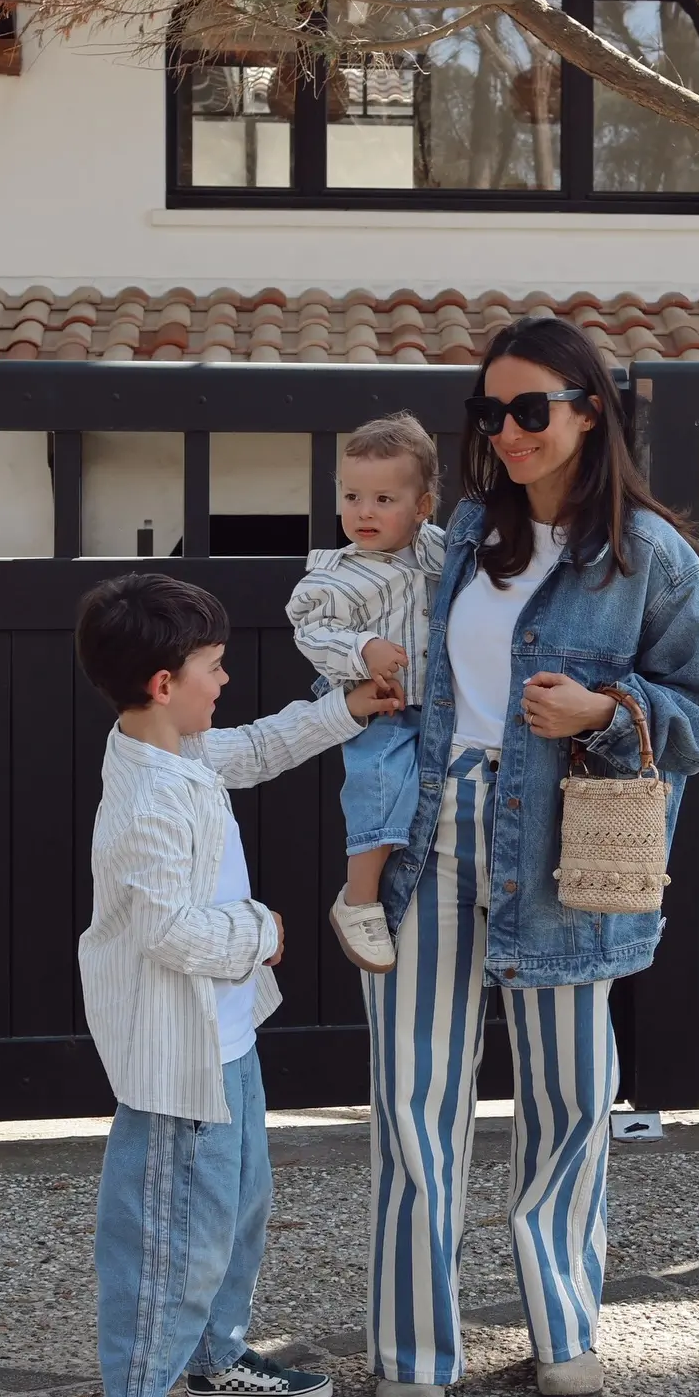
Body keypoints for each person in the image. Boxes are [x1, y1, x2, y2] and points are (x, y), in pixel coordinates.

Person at [366, 317, 699, 1397]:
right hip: (439, 833)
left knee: (571, 1102)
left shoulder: (647, 556)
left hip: (561, 849)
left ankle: (564, 1330)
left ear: (590, 409)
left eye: (533, 408)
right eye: (493, 412)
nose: (511, 431)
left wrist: (610, 711)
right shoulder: (468, 530)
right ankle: (413, 1350)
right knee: (413, 1102)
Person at [74, 571, 397, 1397]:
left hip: (227, 1042)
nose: (227, 681)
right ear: (163, 683)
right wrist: (265, 931)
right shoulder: (144, 800)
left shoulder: (180, 753)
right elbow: (169, 931)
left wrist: (350, 707)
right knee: (172, 1235)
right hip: (181, 1063)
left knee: (236, 1208)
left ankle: (216, 1361)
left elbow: (256, 748)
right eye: (213, 667)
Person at [287, 413, 445, 975]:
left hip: (439, 703)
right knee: (378, 783)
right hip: (377, 705)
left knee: (433, 797)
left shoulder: (439, 554)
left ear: (422, 507)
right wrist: (363, 648)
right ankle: (359, 899)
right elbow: (311, 632)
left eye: (383, 499)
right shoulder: (337, 576)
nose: (364, 512)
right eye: (352, 496)